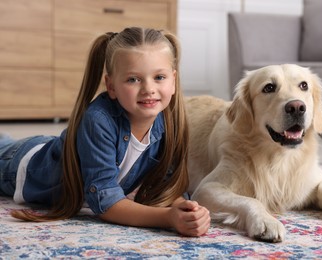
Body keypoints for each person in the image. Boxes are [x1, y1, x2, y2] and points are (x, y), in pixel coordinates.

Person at [0, 27, 210, 237]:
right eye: (133, 79)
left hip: (52, 147)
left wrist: (186, 209)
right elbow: (106, 203)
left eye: (159, 77)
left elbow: (166, 183)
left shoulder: (168, 121)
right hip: (21, 166)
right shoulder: (98, 119)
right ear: (111, 86)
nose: (148, 88)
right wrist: (167, 217)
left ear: (173, 80)